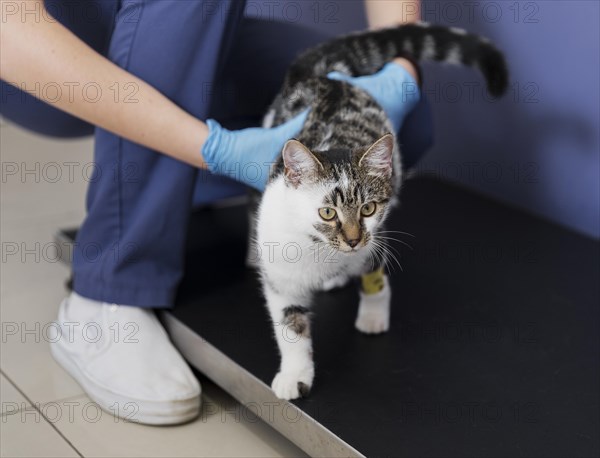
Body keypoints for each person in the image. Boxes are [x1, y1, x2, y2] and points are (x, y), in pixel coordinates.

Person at [1, 0, 432, 424]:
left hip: (171, 32)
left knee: (406, 124)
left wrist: (402, 69)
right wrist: (213, 150)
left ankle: (169, 182)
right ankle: (108, 294)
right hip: (36, 50)